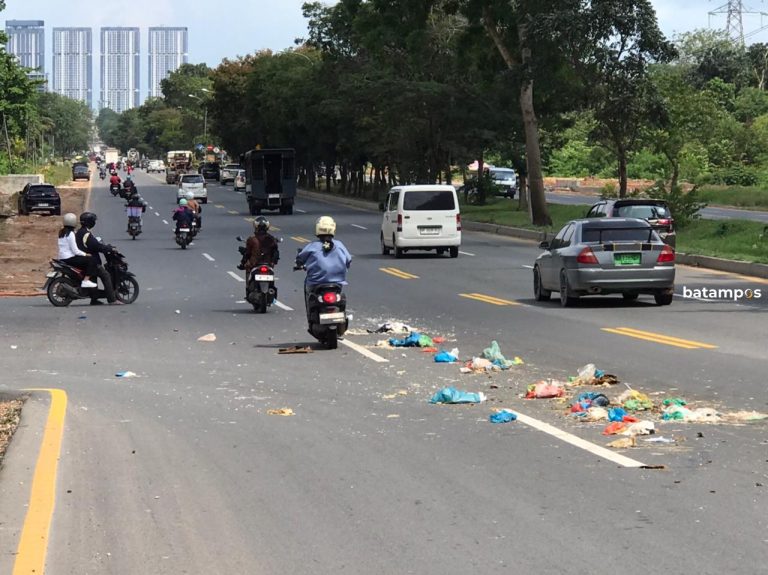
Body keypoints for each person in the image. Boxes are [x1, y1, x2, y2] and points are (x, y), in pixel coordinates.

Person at [295, 216, 351, 317]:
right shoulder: (339, 245)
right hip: (337, 283)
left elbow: (300, 258)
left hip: (315, 283)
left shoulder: (312, 246)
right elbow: (348, 260)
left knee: (308, 293)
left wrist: (299, 264)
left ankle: (310, 315)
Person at [74, 212, 121, 305]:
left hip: (82, 260)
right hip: (90, 261)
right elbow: (96, 246)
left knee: (93, 279)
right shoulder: (86, 234)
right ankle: (112, 300)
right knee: (106, 276)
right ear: (90, 222)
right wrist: (109, 248)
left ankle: (94, 299)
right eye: (93, 221)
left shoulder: (80, 232)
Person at [57, 213, 97, 288]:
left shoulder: (61, 233)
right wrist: (85, 254)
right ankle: (85, 281)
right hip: (69, 258)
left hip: (61, 257)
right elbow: (75, 250)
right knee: (92, 260)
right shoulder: (71, 234)